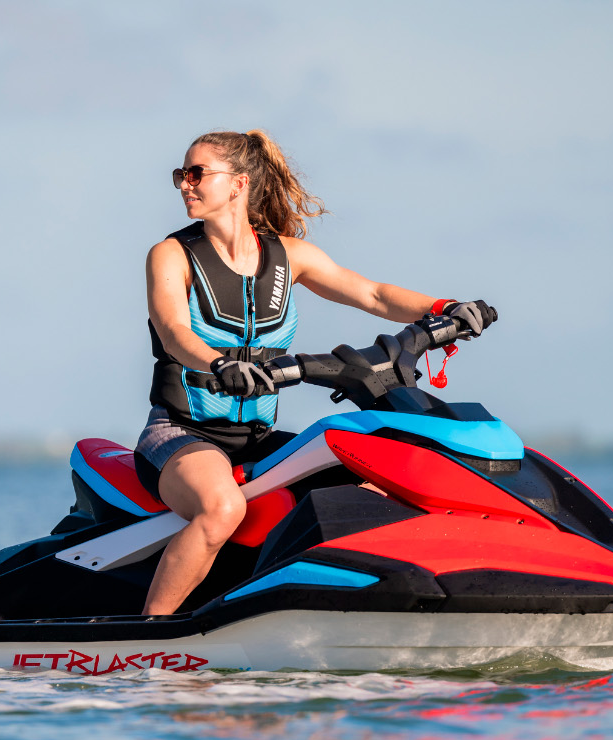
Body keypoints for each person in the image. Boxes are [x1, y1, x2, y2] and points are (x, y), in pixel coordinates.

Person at [137, 129, 494, 615]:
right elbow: (174, 330)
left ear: (239, 183)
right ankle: (152, 636)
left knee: (383, 480)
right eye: (181, 174)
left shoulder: (288, 256)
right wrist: (218, 363)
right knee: (222, 508)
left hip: (257, 438)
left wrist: (444, 308)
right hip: (182, 433)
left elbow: (372, 295)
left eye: (196, 174)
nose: (185, 184)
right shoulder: (171, 254)